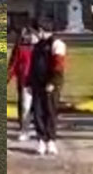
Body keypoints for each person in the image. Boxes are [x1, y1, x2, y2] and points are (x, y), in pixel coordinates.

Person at [27, 17, 66, 156]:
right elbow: (33, 66)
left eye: (36, 31)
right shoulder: (37, 46)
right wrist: (29, 83)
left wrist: (53, 83)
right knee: (38, 113)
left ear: (42, 30)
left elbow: (59, 66)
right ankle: (41, 140)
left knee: (50, 113)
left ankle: (51, 140)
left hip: (50, 85)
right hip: (38, 84)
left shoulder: (57, 44)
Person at [7, 24, 37, 141]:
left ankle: (35, 126)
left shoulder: (39, 47)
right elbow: (13, 64)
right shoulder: (19, 48)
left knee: (37, 106)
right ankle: (24, 129)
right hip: (24, 81)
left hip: (38, 81)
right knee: (24, 106)